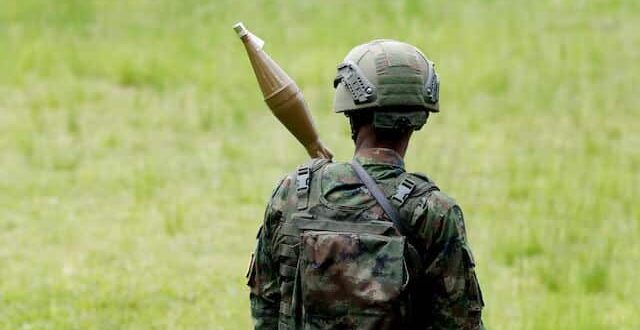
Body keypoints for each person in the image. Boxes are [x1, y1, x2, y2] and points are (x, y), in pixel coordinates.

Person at [247, 40, 485, 330]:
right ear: (420, 116)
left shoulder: (292, 193)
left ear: (349, 110)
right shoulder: (433, 213)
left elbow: (265, 310)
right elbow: (460, 323)